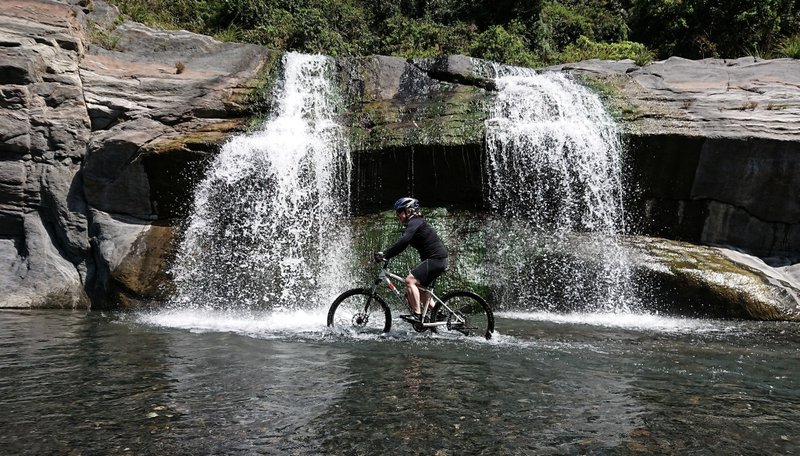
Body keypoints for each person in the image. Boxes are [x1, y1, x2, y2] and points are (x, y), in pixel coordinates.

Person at [374, 197, 448, 321]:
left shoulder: (415, 222)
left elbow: (403, 241)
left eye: (399, 212)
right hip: (437, 260)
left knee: (410, 281)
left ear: (409, 211)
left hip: (436, 259)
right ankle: (438, 315)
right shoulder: (416, 223)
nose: (398, 216)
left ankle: (417, 315)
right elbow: (402, 245)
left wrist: (385, 255)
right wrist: (388, 254)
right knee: (421, 290)